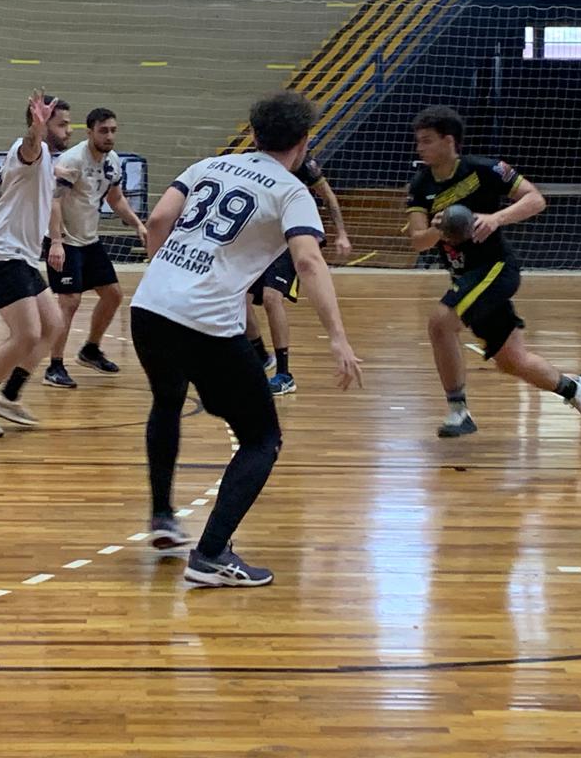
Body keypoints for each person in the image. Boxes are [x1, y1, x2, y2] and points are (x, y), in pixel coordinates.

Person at [131, 90, 363, 588]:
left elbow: (156, 221)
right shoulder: (293, 191)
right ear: (303, 143)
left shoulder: (207, 166)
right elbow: (307, 261)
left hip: (149, 307)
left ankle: (163, 519)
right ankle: (210, 555)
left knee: (167, 401)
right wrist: (338, 338)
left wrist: (169, 274)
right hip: (205, 324)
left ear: (254, 133)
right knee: (261, 438)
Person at [404, 105, 581, 438]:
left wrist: (496, 219)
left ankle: (458, 410)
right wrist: (440, 229)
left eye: (426, 141)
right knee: (512, 361)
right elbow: (418, 241)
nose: (419, 148)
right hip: (464, 279)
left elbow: (535, 199)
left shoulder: (484, 169)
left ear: (448, 141)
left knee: (440, 322)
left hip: (496, 268)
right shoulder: (420, 185)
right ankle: (575, 388)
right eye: (418, 142)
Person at [0, 92, 73, 438]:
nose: (68, 130)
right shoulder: (29, 149)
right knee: (26, 334)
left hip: (19, 256)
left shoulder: (47, 159)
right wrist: (36, 130)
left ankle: (8, 396)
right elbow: (29, 146)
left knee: (52, 326)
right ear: (41, 123)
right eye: (61, 124)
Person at [42, 107, 148, 389]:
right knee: (69, 302)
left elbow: (116, 199)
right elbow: (54, 201)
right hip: (64, 240)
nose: (109, 135)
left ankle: (90, 349)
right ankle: (54, 366)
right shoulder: (73, 159)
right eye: (103, 131)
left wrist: (138, 224)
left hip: (89, 240)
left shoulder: (112, 160)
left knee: (113, 295)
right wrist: (56, 242)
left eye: (113, 130)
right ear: (89, 132)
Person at [243, 151, 352, 396]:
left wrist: (341, 233)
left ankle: (284, 374)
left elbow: (329, 197)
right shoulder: (254, 160)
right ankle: (260, 354)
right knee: (239, 299)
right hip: (262, 238)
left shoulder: (303, 164)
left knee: (272, 299)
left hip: (291, 238)